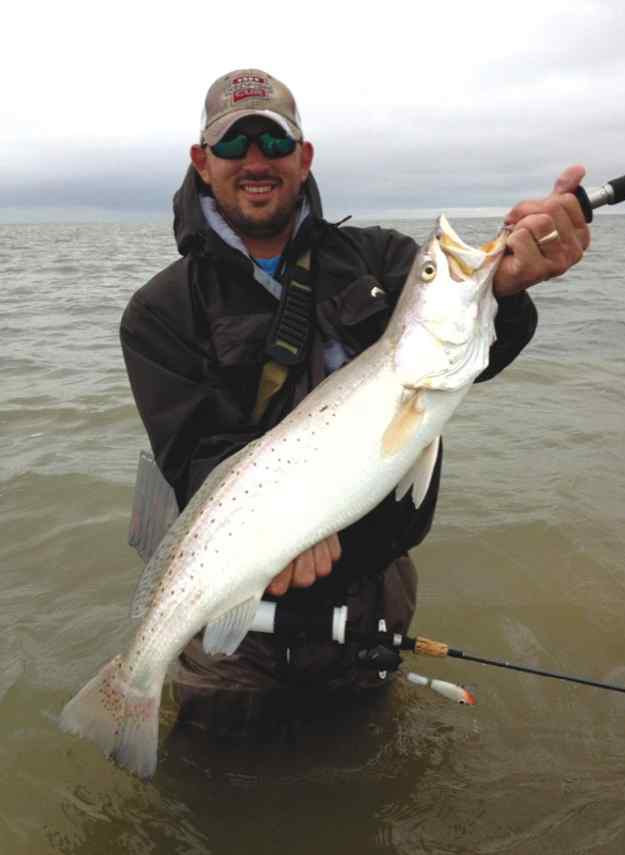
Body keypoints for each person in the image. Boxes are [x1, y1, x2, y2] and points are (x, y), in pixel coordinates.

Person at [120, 69, 589, 732]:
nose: (256, 161)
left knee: (371, 791)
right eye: (233, 146)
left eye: (274, 143)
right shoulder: (158, 313)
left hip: (369, 607)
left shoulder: (382, 260)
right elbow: (198, 458)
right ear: (202, 162)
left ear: (304, 156)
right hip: (236, 621)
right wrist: (277, 542)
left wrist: (502, 291)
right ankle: (128, 691)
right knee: (214, 801)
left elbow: (474, 353)